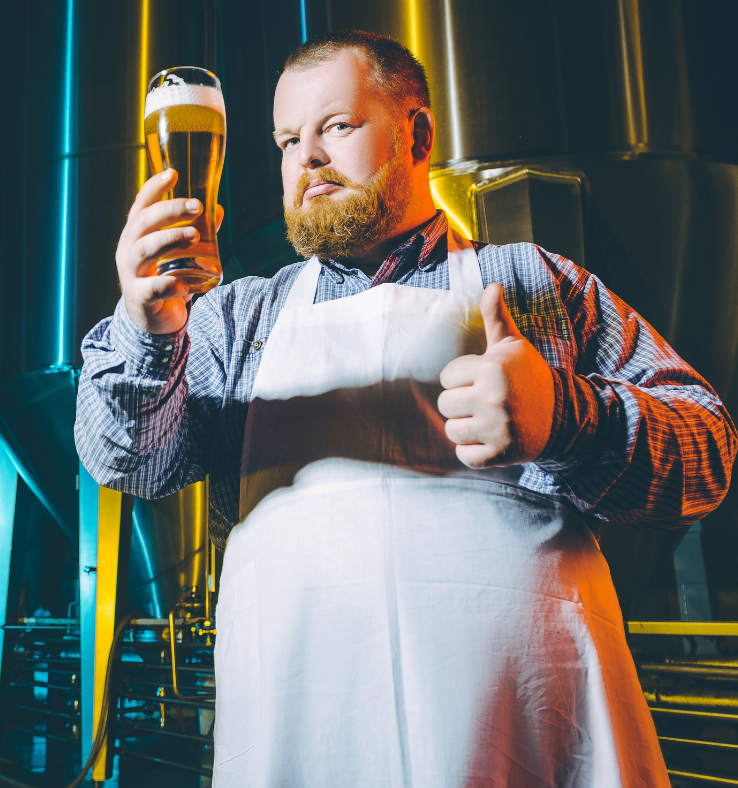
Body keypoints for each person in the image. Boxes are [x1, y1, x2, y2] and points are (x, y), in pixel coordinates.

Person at [76, 29, 735, 788]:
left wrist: (566, 417)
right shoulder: (236, 318)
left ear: (417, 133)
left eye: (337, 126)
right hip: (299, 739)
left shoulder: (536, 283)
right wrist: (148, 332)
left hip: (525, 734)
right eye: (288, 139)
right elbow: (128, 461)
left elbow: (708, 451)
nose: (307, 159)